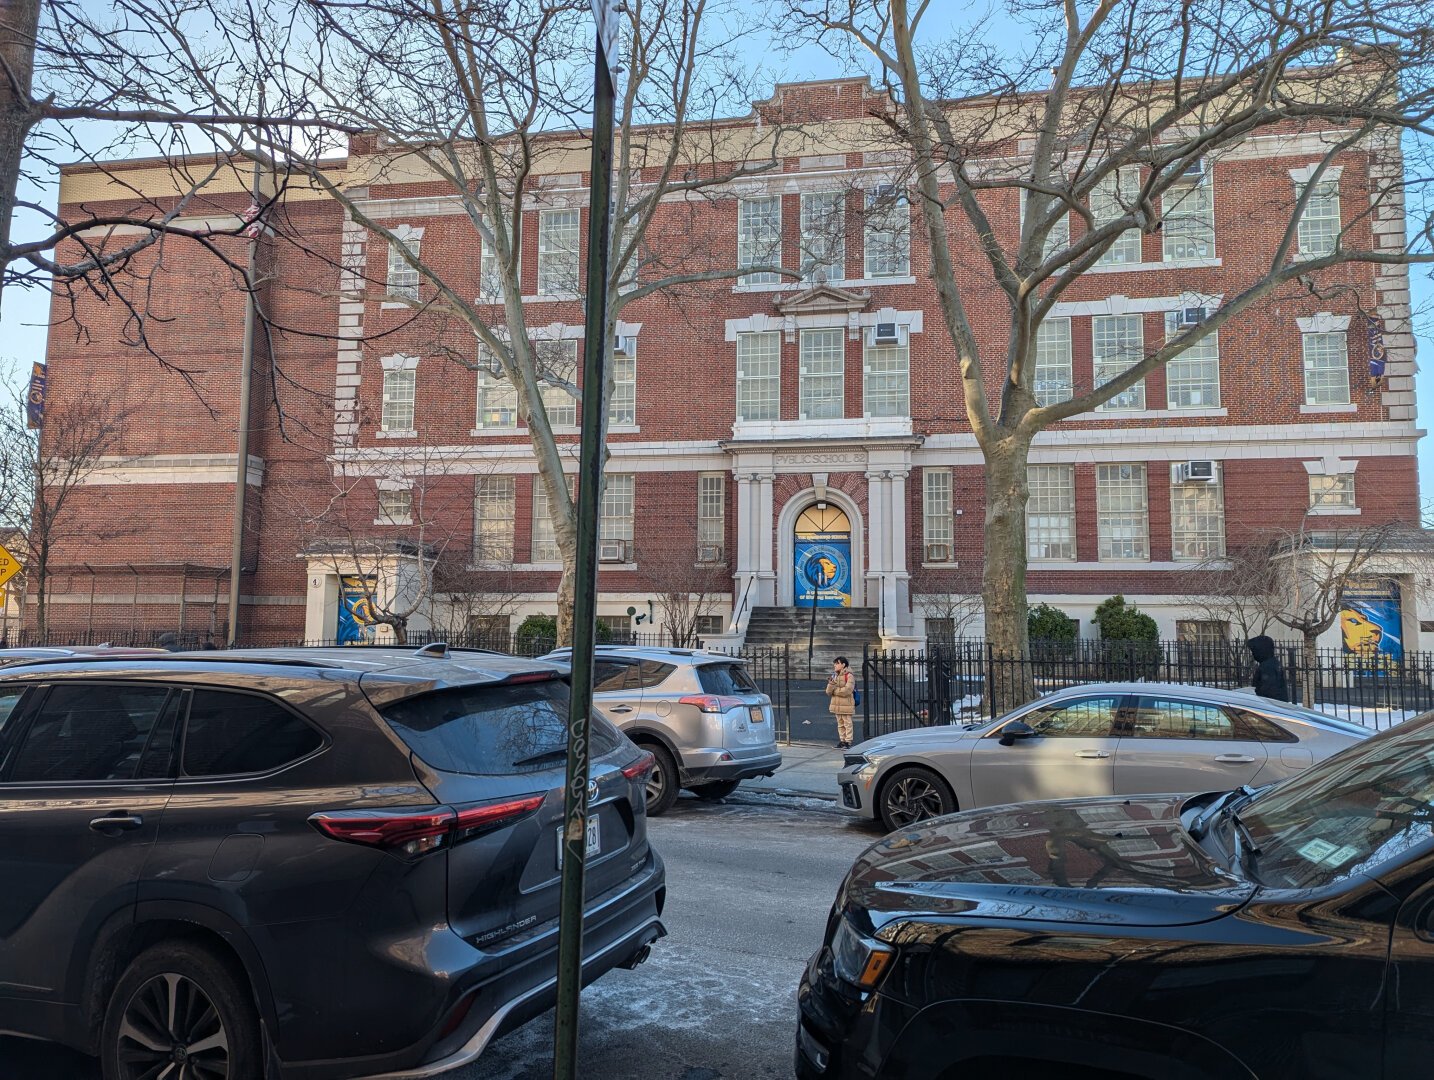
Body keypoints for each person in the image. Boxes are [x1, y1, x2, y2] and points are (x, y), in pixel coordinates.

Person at [825, 656, 856, 750]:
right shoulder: (834, 676)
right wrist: (831, 685)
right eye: (834, 664)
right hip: (837, 704)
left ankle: (848, 741)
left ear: (843, 665)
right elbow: (828, 692)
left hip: (846, 704)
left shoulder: (849, 675)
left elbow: (847, 690)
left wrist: (835, 691)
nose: (835, 665)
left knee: (847, 723)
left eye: (837, 663)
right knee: (840, 724)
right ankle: (842, 740)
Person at [1247, 635, 1290, 701]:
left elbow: (1267, 692)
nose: (1253, 654)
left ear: (1261, 650)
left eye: (1254, 651)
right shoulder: (1272, 663)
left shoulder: (1267, 667)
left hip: (1269, 706)